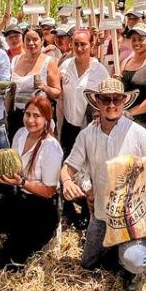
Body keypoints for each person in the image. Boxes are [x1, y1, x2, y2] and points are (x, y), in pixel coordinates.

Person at [61, 77, 146, 291]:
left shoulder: (139, 133)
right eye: (105, 99)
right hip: (102, 212)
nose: (111, 104)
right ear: (97, 101)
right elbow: (68, 168)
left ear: (124, 102)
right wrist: (67, 181)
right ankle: (120, 252)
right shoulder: (87, 135)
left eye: (117, 99)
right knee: (88, 264)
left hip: (134, 213)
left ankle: (135, 265)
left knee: (135, 260)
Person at [0, 94, 63, 270]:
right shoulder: (20, 133)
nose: (30, 120)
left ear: (47, 120)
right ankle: (17, 226)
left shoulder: (51, 147)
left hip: (42, 205)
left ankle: (49, 231)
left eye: (36, 116)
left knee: (9, 262)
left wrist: (22, 182)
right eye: (28, 114)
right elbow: (13, 165)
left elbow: (49, 191)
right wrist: (3, 175)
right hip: (20, 196)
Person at [57, 27, 110, 228]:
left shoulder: (100, 71)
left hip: (90, 128)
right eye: (76, 44)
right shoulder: (65, 66)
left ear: (91, 45)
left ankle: (89, 213)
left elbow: (107, 99)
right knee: (69, 166)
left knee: (90, 170)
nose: (79, 48)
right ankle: (69, 208)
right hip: (69, 125)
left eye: (83, 44)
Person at [9, 26, 61, 139]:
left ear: (42, 41)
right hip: (15, 117)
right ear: (23, 41)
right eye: (27, 39)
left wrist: (44, 87)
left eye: (35, 39)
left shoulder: (49, 62)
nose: (31, 43)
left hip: (38, 118)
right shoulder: (15, 60)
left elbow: (57, 92)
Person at [121, 23, 146, 124]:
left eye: (141, 39)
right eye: (134, 39)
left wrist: (129, 113)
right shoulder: (125, 62)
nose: (137, 42)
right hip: (123, 120)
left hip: (145, 122)